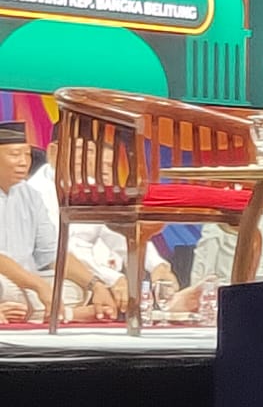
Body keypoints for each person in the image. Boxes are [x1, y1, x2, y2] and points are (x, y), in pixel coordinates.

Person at [28, 127, 177, 315]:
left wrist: (157, 266)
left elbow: (122, 233)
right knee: (71, 291)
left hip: (97, 277)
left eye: (91, 151)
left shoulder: (94, 188)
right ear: (53, 152)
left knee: (153, 292)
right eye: (79, 150)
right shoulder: (36, 191)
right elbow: (58, 251)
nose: (86, 158)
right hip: (56, 273)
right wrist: (110, 279)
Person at [0, 121, 117, 322]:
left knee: (78, 288)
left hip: (27, 283)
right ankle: (65, 313)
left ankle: (32, 312)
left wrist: (96, 284)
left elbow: (53, 253)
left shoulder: (30, 195)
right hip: (9, 281)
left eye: (27, 154)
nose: (23, 162)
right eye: (15, 154)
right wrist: (39, 286)